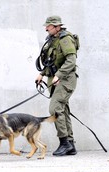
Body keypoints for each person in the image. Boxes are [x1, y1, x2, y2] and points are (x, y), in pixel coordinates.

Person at [35, 15, 78, 156]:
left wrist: (58, 75)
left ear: (57, 26)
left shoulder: (65, 39)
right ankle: (70, 144)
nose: (46, 28)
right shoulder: (52, 40)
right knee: (62, 110)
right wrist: (42, 73)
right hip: (54, 79)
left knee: (54, 109)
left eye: (49, 26)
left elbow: (71, 61)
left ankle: (64, 142)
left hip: (65, 79)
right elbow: (50, 61)